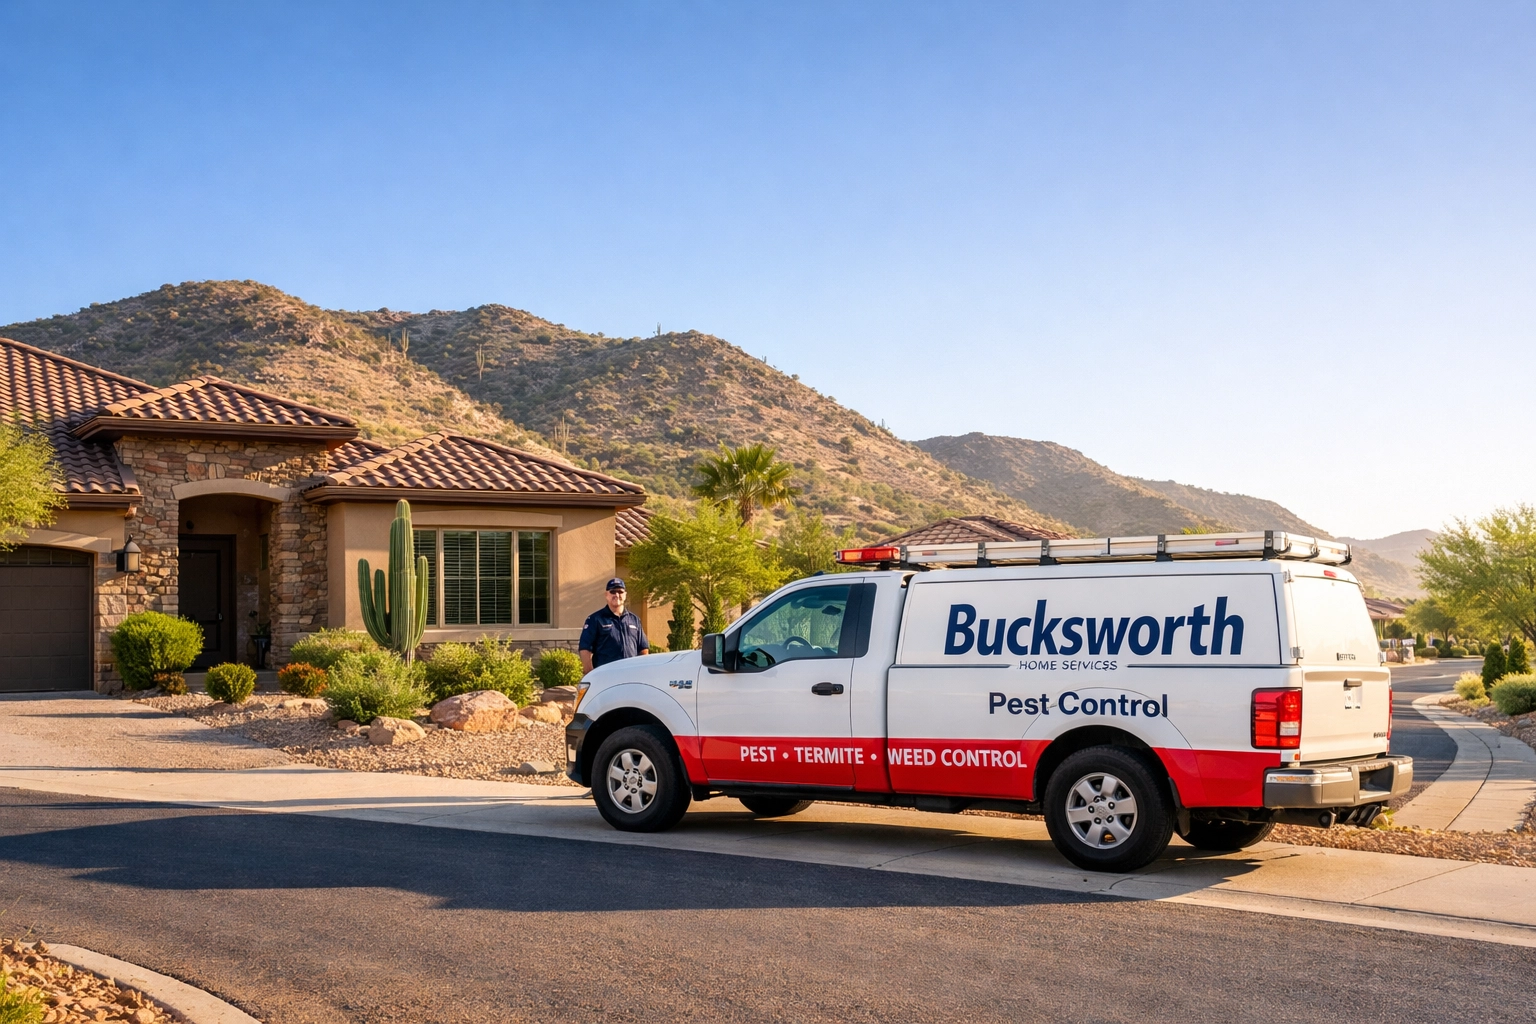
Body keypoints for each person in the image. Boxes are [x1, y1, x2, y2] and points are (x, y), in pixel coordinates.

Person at [579, 577, 649, 673]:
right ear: (606, 595)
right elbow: (585, 648)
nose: (616, 595)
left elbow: (643, 648)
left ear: (625, 595)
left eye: (620, 592)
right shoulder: (595, 619)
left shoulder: (634, 620)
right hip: (606, 675)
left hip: (631, 674)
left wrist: (643, 670)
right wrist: (590, 673)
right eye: (613, 592)